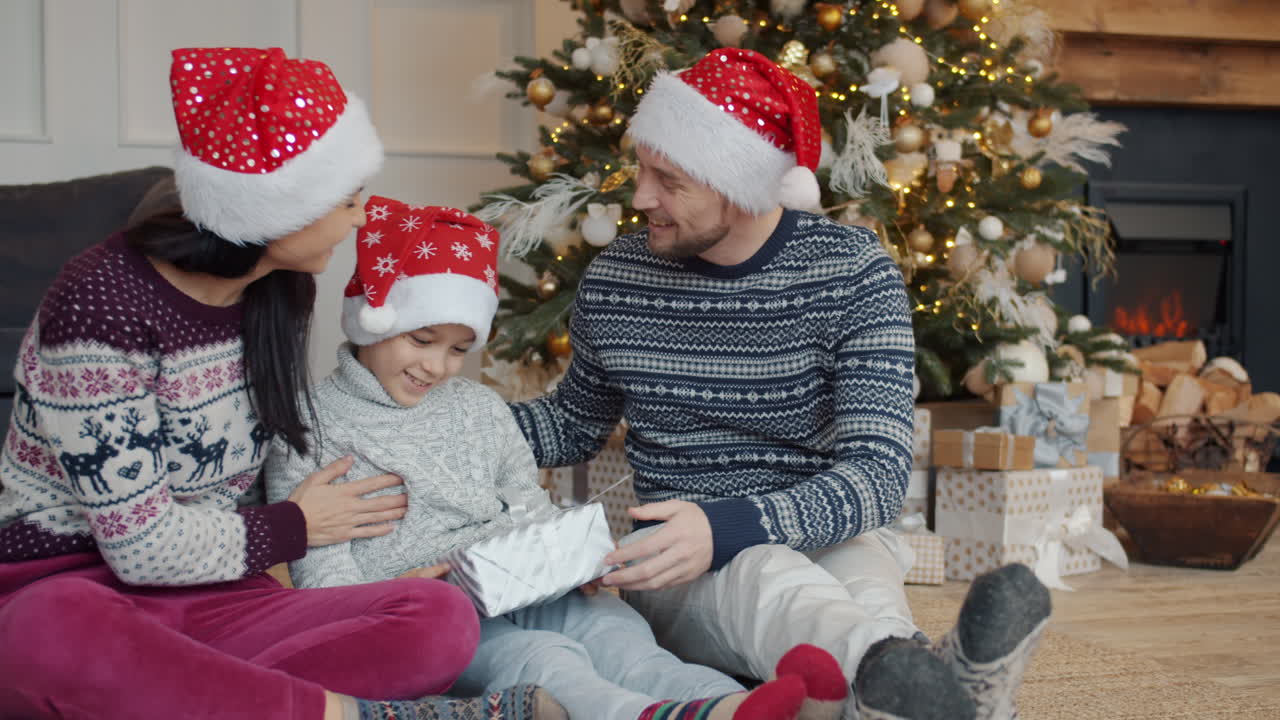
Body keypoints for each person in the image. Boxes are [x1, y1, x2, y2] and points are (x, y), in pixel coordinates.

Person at [0, 46, 558, 720]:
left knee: (436, 617)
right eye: (346, 200)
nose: (360, 217)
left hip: (218, 596)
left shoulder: (280, 289)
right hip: (71, 586)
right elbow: (140, 550)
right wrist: (294, 526)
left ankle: (182, 697)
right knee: (50, 632)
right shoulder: (99, 304)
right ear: (279, 209)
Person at [508, 48, 1052, 720]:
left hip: (834, 534)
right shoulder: (618, 278)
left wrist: (736, 522)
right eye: (642, 168)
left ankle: (919, 688)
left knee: (862, 594)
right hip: (687, 563)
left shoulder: (854, 274)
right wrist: (447, 420)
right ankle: (927, 678)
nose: (641, 196)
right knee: (767, 573)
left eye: (668, 179)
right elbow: (572, 423)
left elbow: (878, 477)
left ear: (737, 186)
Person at [264, 195, 856, 720]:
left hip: (521, 585)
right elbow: (321, 584)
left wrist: (574, 558)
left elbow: (527, 504)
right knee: (540, 659)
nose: (438, 367)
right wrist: (393, 599)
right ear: (372, 320)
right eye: (421, 341)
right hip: (429, 614)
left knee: (615, 629)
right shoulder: (311, 425)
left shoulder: (476, 408)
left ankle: (736, 704)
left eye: (459, 349)